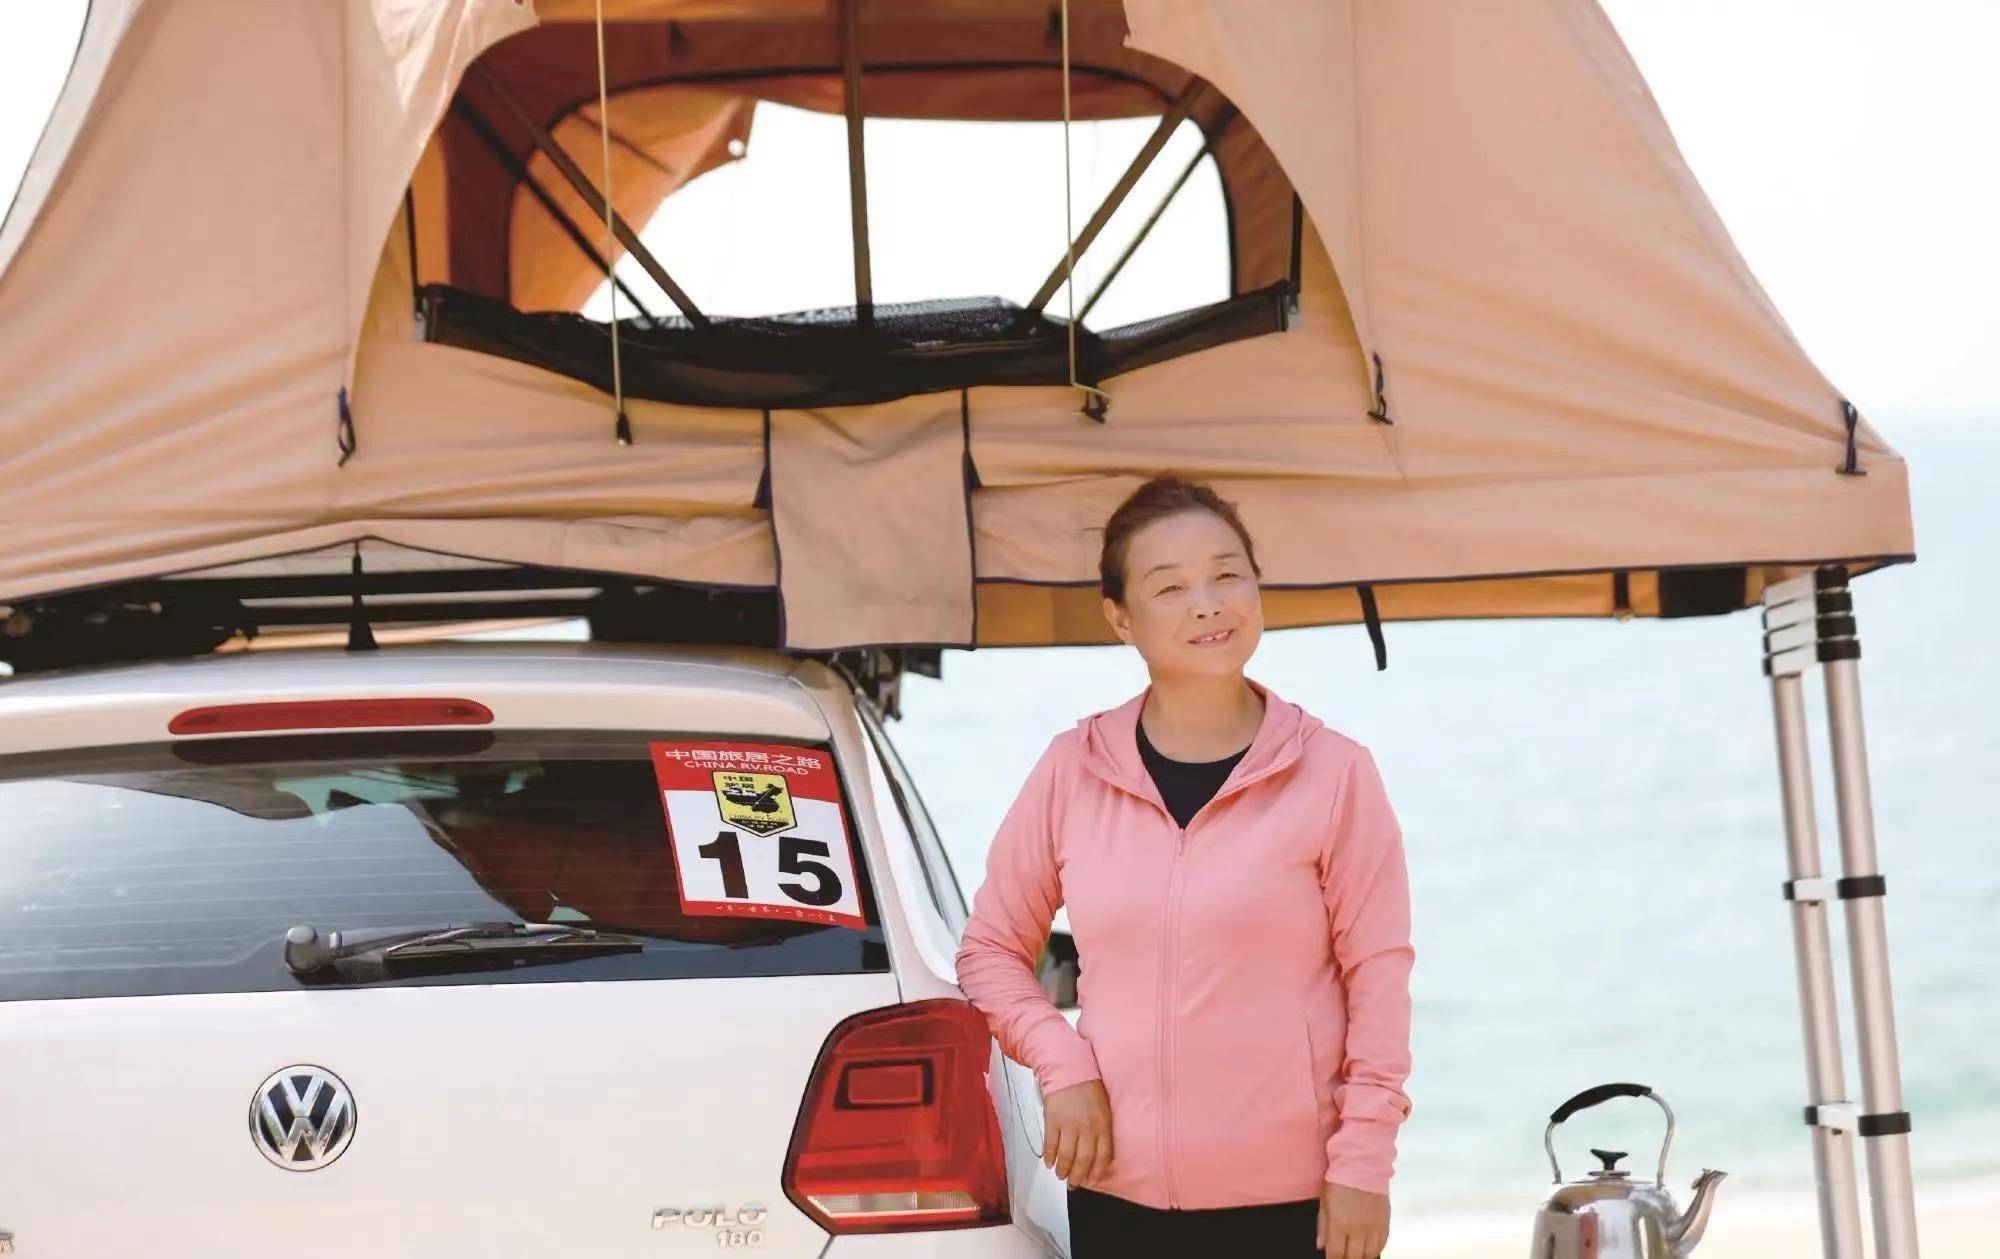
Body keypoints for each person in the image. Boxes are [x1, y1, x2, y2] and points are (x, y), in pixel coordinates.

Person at [954, 476, 1414, 1259]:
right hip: (1116, 1197)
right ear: (1120, 616)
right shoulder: (1073, 769)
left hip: (1295, 1203)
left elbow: (1378, 974)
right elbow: (990, 951)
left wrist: (1364, 1162)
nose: (1207, 604)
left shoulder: (1335, 773)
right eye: (1170, 587)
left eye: (1227, 574)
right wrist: (1062, 1065)